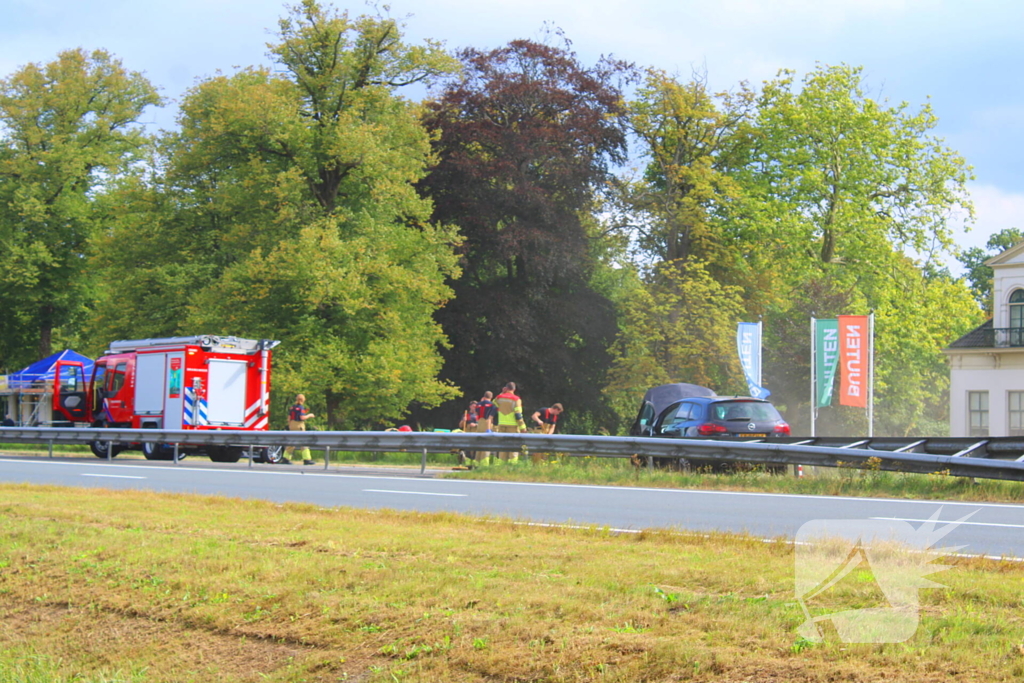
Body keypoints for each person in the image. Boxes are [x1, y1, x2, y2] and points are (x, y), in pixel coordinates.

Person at [493, 383, 526, 461]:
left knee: (503, 446)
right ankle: (512, 465)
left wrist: (502, 393)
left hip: (501, 424)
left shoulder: (499, 397)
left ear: (506, 388)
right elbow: (518, 415)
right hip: (513, 426)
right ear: (514, 389)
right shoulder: (516, 399)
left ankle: (501, 464)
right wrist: (523, 427)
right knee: (513, 446)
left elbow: (493, 403)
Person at [285, 394, 316, 465]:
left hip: (292, 425)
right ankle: (307, 459)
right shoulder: (301, 408)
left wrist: (290, 425)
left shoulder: (292, 407)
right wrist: (310, 415)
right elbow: (302, 417)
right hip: (299, 426)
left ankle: (286, 458)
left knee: (291, 442)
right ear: (303, 400)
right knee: (304, 442)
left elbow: (289, 418)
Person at [474, 392, 496, 464]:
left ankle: (477, 461)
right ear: (491, 397)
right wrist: (488, 429)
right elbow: (490, 418)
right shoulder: (492, 405)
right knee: (486, 444)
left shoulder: (478, 404)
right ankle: (484, 463)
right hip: (487, 424)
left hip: (479, 424)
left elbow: (476, 413)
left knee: (479, 443)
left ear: (484, 396)